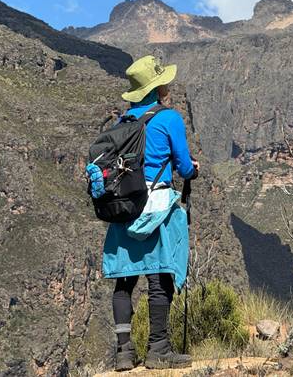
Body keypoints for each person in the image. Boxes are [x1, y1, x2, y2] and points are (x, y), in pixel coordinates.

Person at [102, 55, 199, 370]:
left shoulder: (122, 124)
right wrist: (192, 170)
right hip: (156, 206)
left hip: (125, 208)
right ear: (159, 88)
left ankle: (124, 354)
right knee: (159, 279)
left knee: (124, 282)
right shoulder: (169, 118)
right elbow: (184, 166)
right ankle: (158, 350)